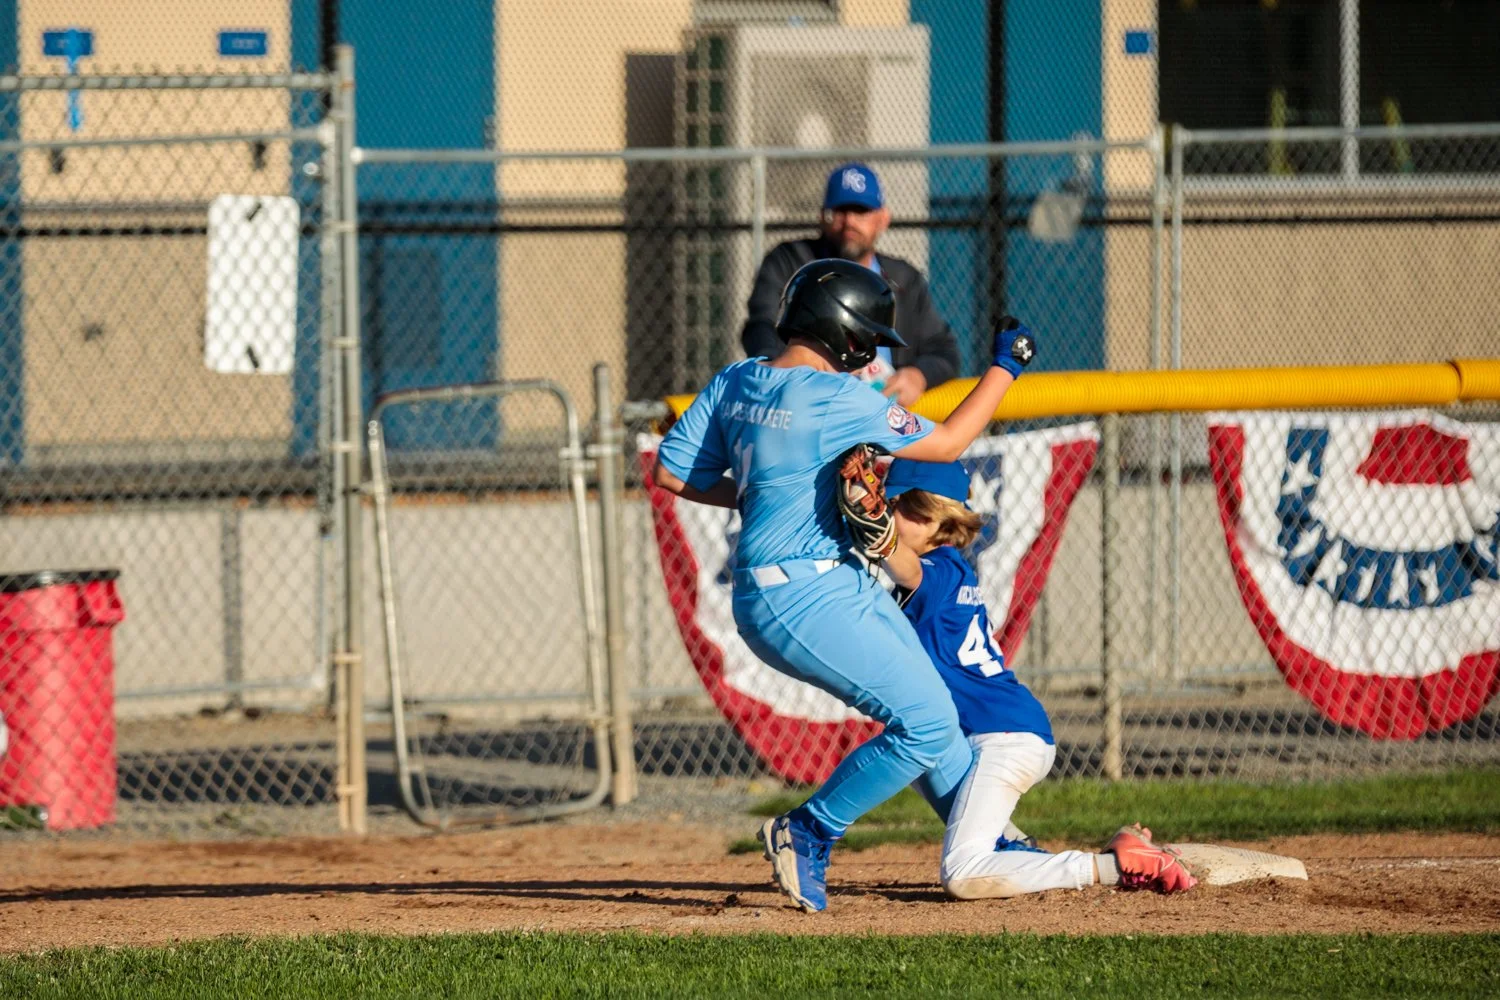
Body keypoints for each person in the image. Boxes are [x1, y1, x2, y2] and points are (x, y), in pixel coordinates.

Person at [652, 257, 1035, 912]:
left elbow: (671, 474)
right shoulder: (838, 396)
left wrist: (761, 496)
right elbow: (946, 445)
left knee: (934, 717)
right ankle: (808, 830)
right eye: (869, 344)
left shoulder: (737, 380)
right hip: (805, 592)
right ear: (847, 334)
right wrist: (1005, 367)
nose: (870, 359)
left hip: (809, 583)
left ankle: (991, 836)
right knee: (924, 723)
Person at [879, 457, 1199, 899]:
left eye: (891, 505)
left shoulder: (933, 571)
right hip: (999, 732)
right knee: (913, 747)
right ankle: (1020, 847)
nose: (882, 514)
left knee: (963, 873)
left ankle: (1113, 868)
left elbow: (906, 569)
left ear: (926, 513)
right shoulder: (952, 567)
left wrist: (868, 523)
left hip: (1001, 737)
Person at [739, 162, 960, 407]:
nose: (849, 222)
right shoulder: (791, 261)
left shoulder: (903, 278)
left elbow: (944, 350)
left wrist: (919, 376)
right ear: (822, 216)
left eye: (860, 210)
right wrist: (784, 372)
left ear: (883, 218)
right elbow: (761, 327)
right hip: (809, 408)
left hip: (881, 416)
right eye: (840, 211)